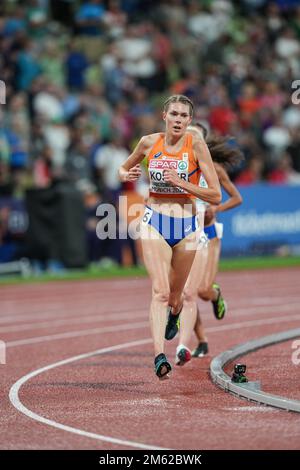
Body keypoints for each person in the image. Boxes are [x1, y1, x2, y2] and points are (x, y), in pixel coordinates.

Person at [119, 95, 221, 379]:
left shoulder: (196, 145)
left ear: (189, 121)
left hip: (187, 226)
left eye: (183, 116)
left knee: (178, 298)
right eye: (173, 114)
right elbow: (123, 168)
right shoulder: (148, 142)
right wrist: (129, 173)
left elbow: (215, 194)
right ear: (164, 115)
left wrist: (183, 183)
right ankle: (158, 355)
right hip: (154, 222)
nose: (177, 120)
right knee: (160, 292)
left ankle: (175, 315)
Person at [175, 123, 243, 365]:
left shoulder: (213, 168)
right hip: (185, 234)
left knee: (202, 291)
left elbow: (237, 197)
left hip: (209, 232)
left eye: (194, 136)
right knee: (186, 292)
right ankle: (201, 340)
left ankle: (215, 295)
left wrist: (216, 208)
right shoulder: (179, 166)